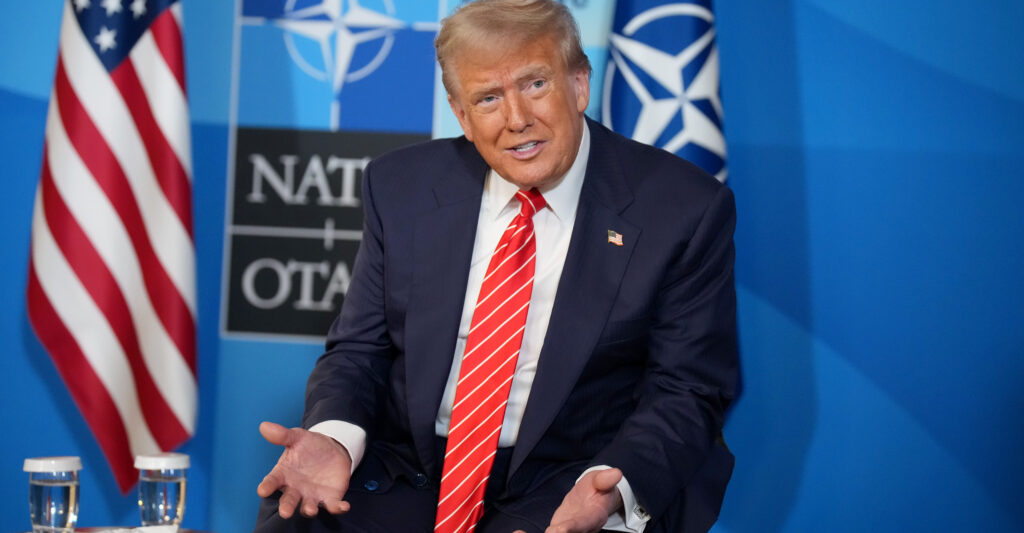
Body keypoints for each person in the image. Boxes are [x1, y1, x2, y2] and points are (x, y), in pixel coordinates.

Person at [253, 1, 738, 532]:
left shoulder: (682, 209)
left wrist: (611, 488)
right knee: (295, 520)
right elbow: (359, 349)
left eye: (535, 85)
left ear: (579, 84)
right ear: (461, 115)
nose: (516, 120)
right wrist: (333, 436)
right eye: (488, 98)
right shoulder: (402, 186)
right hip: (411, 468)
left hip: (570, 473)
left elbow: (687, 389)